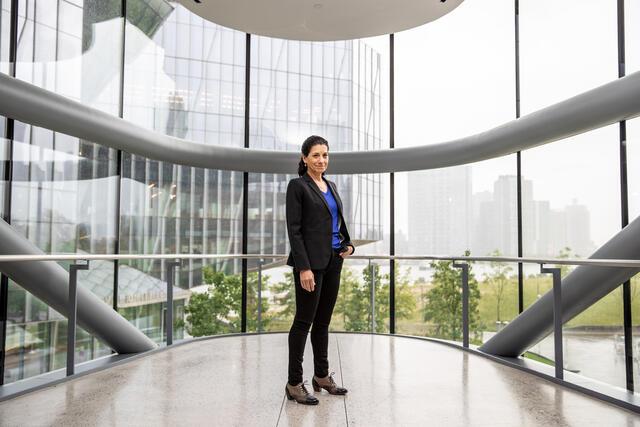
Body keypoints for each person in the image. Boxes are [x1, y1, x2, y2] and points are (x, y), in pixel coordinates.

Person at [284, 135, 354, 405]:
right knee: (303, 322)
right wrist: (304, 268)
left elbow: (336, 223)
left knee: (323, 322)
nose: (321, 160)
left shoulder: (332, 185)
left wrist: (347, 245)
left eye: (325, 155)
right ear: (304, 158)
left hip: (334, 260)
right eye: (315, 155)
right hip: (310, 266)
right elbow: (295, 230)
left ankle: (322, 377)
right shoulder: (297, 186)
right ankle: (294, 383)